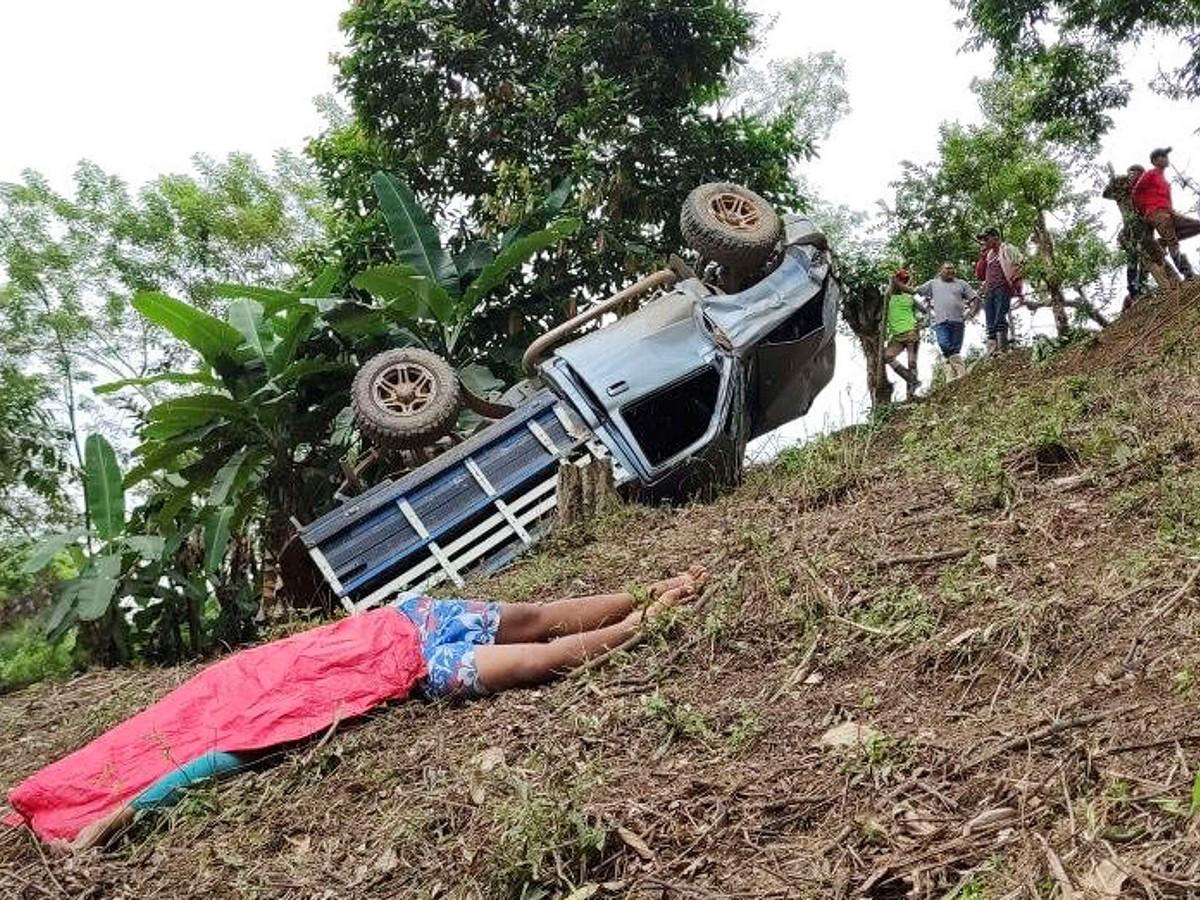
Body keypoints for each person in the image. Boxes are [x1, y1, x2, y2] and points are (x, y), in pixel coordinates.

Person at [9, 567, 709, 851]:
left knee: (533, 617)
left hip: (414, 621)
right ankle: (644, 623)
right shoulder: (242, 734)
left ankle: (653, 591)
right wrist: (123, 814)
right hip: (417, 670)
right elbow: (195, 768)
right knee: (531, 661)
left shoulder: (232, 680)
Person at [1132, 147, 1200, 280]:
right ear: (1155, 161)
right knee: (1173, 243)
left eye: (1166, 156)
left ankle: (1162, 242)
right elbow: (1136, 192)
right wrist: (1144, 211)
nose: (1166, 159)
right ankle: (1188, 273)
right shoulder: (1150, 174)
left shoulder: (1164, 180)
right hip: (1156, 213)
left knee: (1197, 226)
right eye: (1162, 157)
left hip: (1170, 213)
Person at [914, 262, 977, 382]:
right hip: (941, 321)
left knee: (954, 349)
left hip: (958, 321)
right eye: (947, 268)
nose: (951, 271)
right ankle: (961, 372)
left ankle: (951, 379)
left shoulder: (961, 284)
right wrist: (900, 286)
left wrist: (971, 312)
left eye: (952, 268)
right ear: (940, 271)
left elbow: (974, 298)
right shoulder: (933, 283)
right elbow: (916, 291)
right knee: (944, 344)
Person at [1103, 164, 1151, 308]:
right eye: (1130, 173)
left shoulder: (1144, 191)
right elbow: (1106, 194)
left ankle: (1141, 288)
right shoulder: (1122, 189)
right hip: (1129, 231)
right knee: (1132, 260)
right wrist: (1115, 182)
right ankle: (1133, 292)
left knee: (1147, 260)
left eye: (1135, 173)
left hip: (1145, 229)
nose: (1132, 175)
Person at [973, 228, 1023, 353]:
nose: (984, 242)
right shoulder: (989, 255)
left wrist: (1016, 284)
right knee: (990, 321)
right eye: (983, 240)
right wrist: (982, 257)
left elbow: (1020, 264)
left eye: (986, 238)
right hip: (989, 291)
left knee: (1000, 317)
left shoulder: (1007, 249)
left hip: (1002, 288)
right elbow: (980, 275)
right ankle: (992, 352)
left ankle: (1002, 350)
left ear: (995, 237)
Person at [883, 269, 922, 397]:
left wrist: (922, 322)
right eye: (902, 280)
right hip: (897, 336)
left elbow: (925, 310)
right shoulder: (889, 295)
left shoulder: (910, 298)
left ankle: (910, 394)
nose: (903, 282)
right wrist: (895, 278)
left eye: (905, 280)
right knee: (887, 356)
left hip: (911, 332)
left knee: (912, 363)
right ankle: (911, 380)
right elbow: (894, 283)